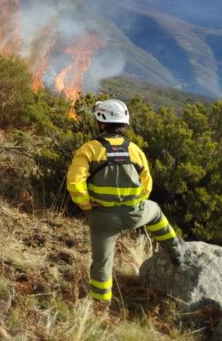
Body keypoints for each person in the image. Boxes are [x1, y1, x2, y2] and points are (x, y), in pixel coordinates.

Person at [67, 99, 184, 303]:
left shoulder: (90, 149)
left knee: (102, 263)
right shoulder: (136, 151)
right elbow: (147, 184)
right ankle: (176, 250)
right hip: (134, 214)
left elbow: (74, 181)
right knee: (155, 211)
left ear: (101, 123)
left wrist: (85, 203)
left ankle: (101, 303)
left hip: (102, 218)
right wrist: (135, 204)